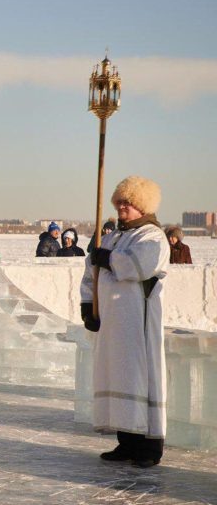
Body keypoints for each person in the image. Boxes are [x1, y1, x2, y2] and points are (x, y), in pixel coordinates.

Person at [80, 175, 169, 468]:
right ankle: (126, 441)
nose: (122, 208)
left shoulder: (152, 236)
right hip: (112, 322)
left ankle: (149, 447)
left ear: (142, 205)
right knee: (117, 375)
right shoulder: (112, 237)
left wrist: (108, 258)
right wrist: (88, 305)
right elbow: (90, 273)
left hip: (136, 322)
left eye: (128, 203)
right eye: (119, 202)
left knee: (141, 377)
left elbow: (139, 265)